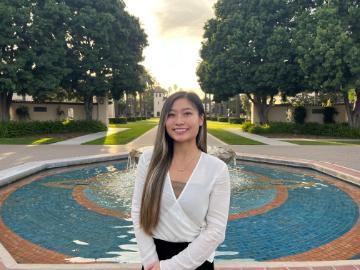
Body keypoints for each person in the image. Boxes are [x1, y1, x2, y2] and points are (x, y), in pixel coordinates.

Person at [131, 91, 231, 270]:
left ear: (201, 119)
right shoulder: (149, 161)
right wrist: (151, 262)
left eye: (187, 113)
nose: (179, 121)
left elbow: (216, 231)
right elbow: (138, 212)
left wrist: (169, 267)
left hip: (196, 261)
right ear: (164, 121)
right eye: (171, 115)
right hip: (154, 260)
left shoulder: (217, 169)